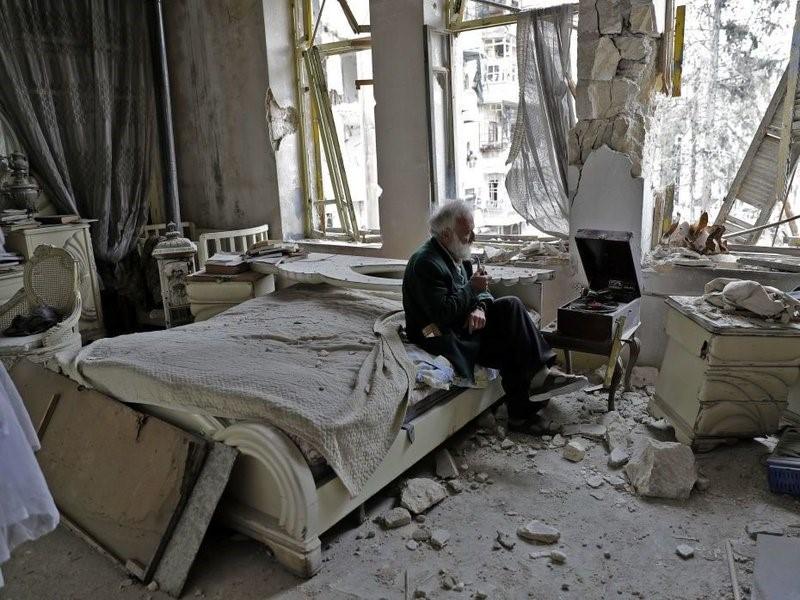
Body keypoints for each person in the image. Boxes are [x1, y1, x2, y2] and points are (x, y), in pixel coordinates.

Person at [402, 200, 586, 429]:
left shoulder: (458, 254)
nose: (473, 239)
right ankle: (525, 409)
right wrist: (472, 289)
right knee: (512, 339)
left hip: (463, 323)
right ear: (446, 234)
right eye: (467, 234)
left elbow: (485, 293)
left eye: (473, 231)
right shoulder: (426, 263)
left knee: (511, 306)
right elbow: (442, 314)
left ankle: (539, 379)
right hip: (438, 334)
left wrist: (480, 307)